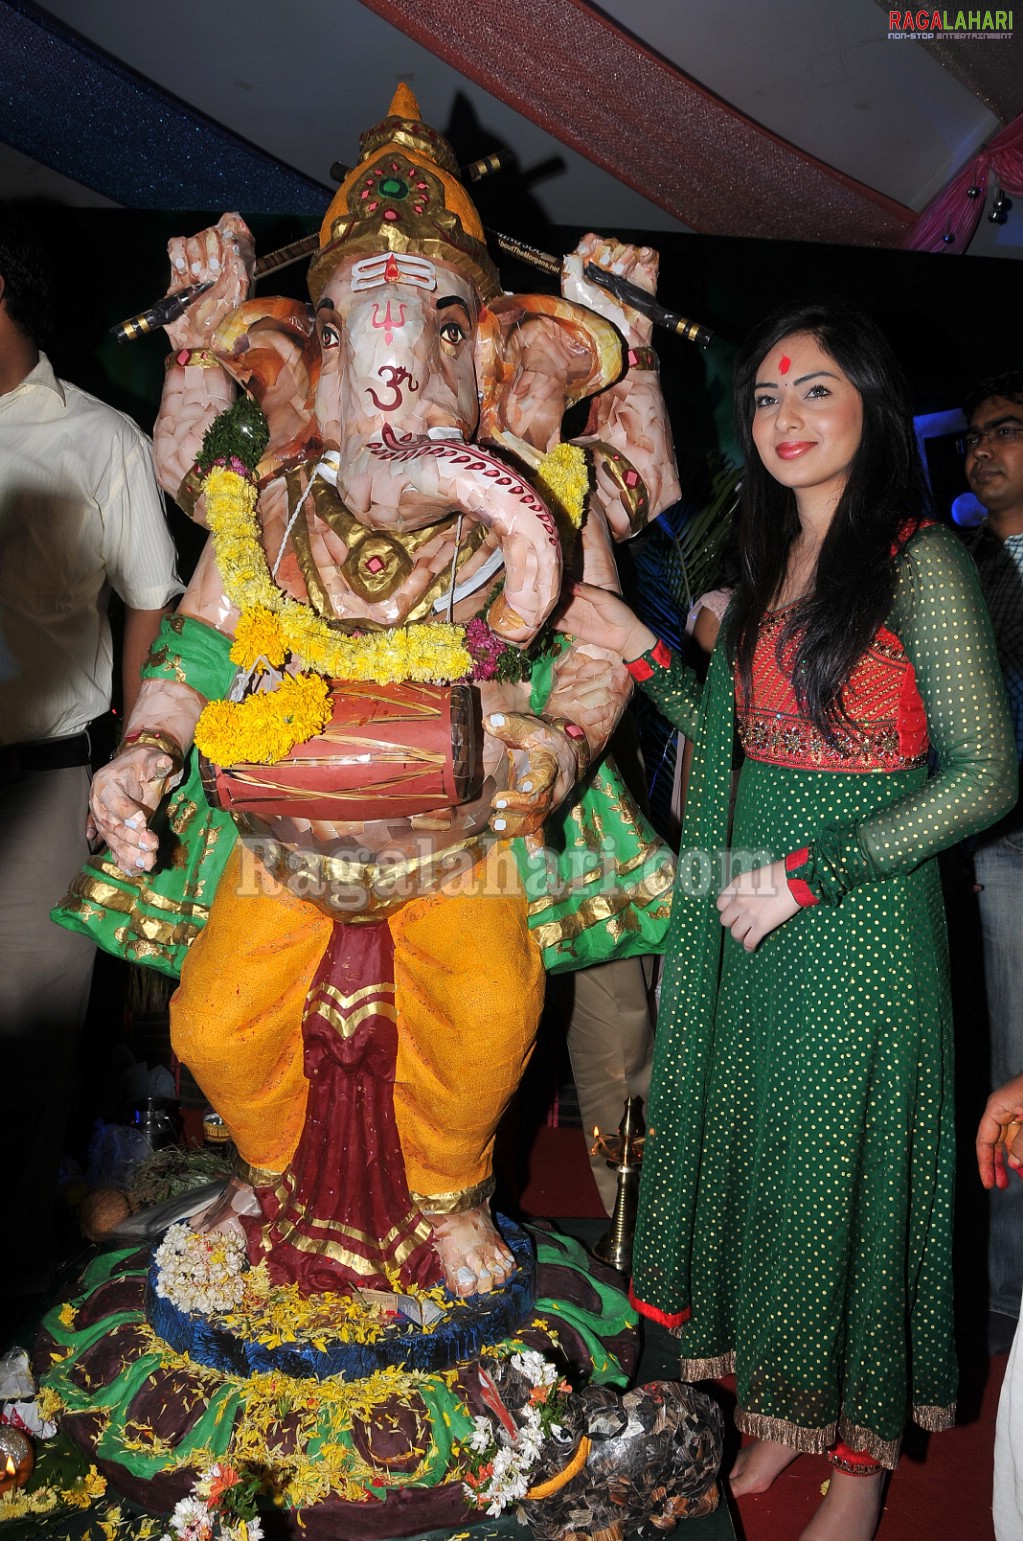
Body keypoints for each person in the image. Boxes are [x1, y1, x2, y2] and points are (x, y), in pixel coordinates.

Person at [558, 302, 1016, 1540]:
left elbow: (984, 773)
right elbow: (741, 752)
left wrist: (817, 871)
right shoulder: (768, 565)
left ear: (870, 405)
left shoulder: (919, 561)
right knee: (770, 1174)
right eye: (765, 395)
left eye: (814, 390)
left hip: (856, 933)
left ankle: (858, 1467)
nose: (785, 417)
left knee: (845, 1188)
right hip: (751, 925)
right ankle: (780, 1410)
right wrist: (648, 659)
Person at [0, 203, 181, 1309]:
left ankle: (13, 1292)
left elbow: (153, 596)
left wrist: (117, 755)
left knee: (26, 1059)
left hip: (41, 781)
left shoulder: (96, 436)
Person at [961, 372, 1023, 1347]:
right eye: (974, 437)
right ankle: (1006, 1291)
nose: (982, 448)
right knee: (1004, 1064)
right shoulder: (963, 567)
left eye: (1007, 430)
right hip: (992, 843)